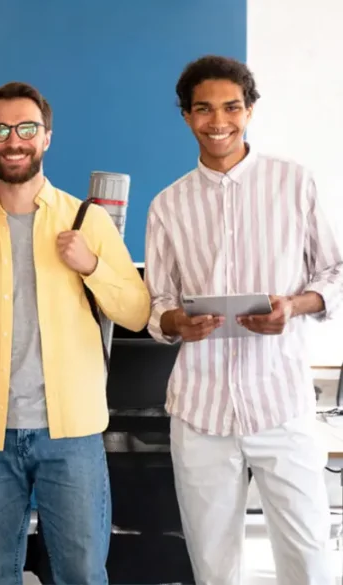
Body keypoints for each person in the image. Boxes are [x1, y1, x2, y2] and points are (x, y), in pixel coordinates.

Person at [0, 81, 151, 585]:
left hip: (71, 433)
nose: (14, 140)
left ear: (47, 137)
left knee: (80, 572)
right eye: (1, 129)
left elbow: (138, 312)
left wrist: (91, 264)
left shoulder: (89, 220)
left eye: (27, 128)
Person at [144, 55, 342, 585]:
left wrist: (294, 307)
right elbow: (157, 301)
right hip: (200, 410)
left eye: (231, 107)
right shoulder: (167, 205)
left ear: (250, 110)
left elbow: (335, 271)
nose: (218, 121)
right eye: (203, 109)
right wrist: (175, 323)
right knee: (212, 564)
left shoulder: (293, 183)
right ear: (186, 116)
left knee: (309, 558)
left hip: (281, 401)